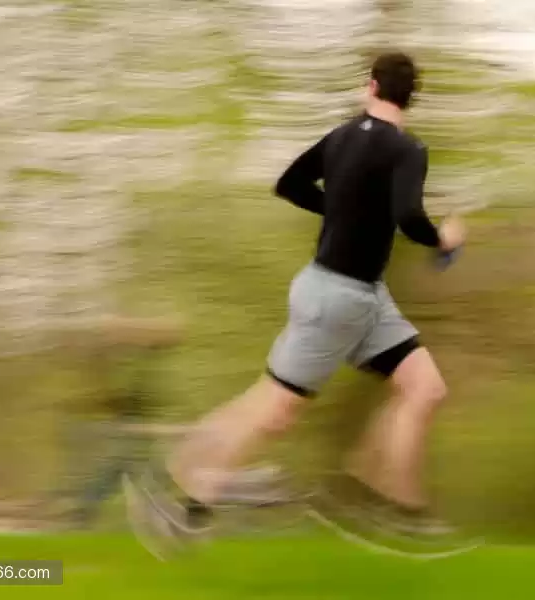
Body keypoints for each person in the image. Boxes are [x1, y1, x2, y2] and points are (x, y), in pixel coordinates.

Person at [123, 52, 467, 554]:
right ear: (410, 96)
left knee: (424, 388)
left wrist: (344, 209)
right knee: (271, 409)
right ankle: (181, 495)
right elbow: (410, 218)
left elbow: (289, 184)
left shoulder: (342, 136)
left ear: (370, 86)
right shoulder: (408, 149)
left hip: (364, 298)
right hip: (338, 298)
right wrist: (445, 239)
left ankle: (390, 507)